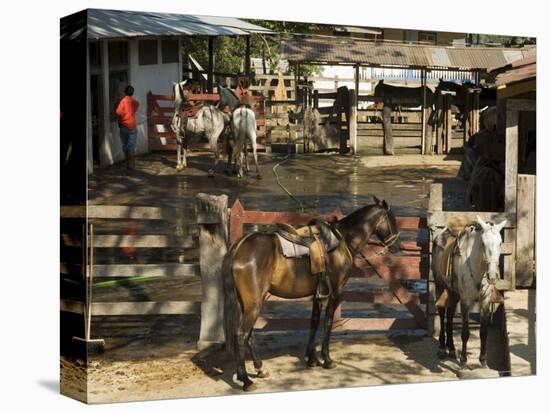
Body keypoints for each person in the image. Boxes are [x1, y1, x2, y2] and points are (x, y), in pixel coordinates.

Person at [115, 85, 140, 170]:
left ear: (125, 92)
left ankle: (127, 163)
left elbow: (118, 112)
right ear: (132, 93)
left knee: (125, 145)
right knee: (131, 146)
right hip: (132, 126)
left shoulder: (123, 101)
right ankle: (131, 165)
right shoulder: (135, 102)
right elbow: (136, 106)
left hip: (123, 126)